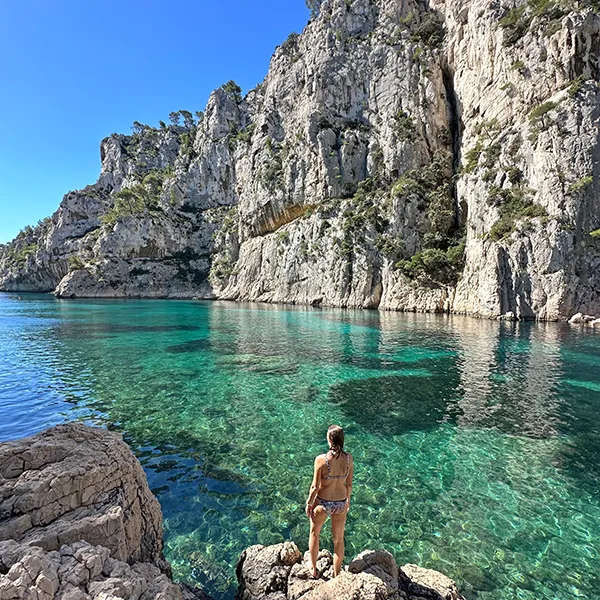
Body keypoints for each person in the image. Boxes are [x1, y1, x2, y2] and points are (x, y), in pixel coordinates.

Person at [305, 424, 354, 578]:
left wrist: (309, 503)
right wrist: (348, 501)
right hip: (340, 503)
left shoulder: (321, 460)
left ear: (329, 440)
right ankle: (336, 573)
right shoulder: (348, 459)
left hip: (322, 503)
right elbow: (349, 484)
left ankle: (313, 569)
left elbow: (315, 486)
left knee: (314, 534)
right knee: (338, 540)